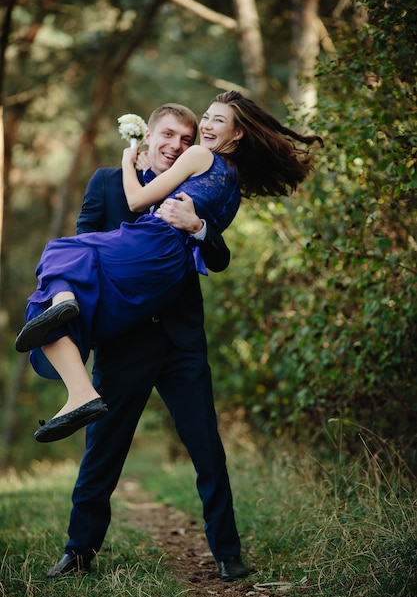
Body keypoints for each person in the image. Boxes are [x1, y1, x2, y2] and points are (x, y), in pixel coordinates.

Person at [28, 94, 322, 582]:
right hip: (126, 343)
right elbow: (86, 237)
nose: (179, 143)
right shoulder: (106, 181)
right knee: (102, 448)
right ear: (148, 135)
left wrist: (200, 225)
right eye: (170, 135)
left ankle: (228, 553)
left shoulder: (201, 178)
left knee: (207, 447)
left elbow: (220, 255)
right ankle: (78, 551)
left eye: (187, 138)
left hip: (181, 340)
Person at [16, 92, 323, 447]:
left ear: (238, 134)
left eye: (217, 120)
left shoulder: (199, 155)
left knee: (58, 251)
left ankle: (70, 336)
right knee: (51, 296)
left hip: (153, 243)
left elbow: (135, 201)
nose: (207, 124)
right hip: (171, 266)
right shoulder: (233, 183)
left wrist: (128, 161)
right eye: (206, 116)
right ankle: (75, 372)